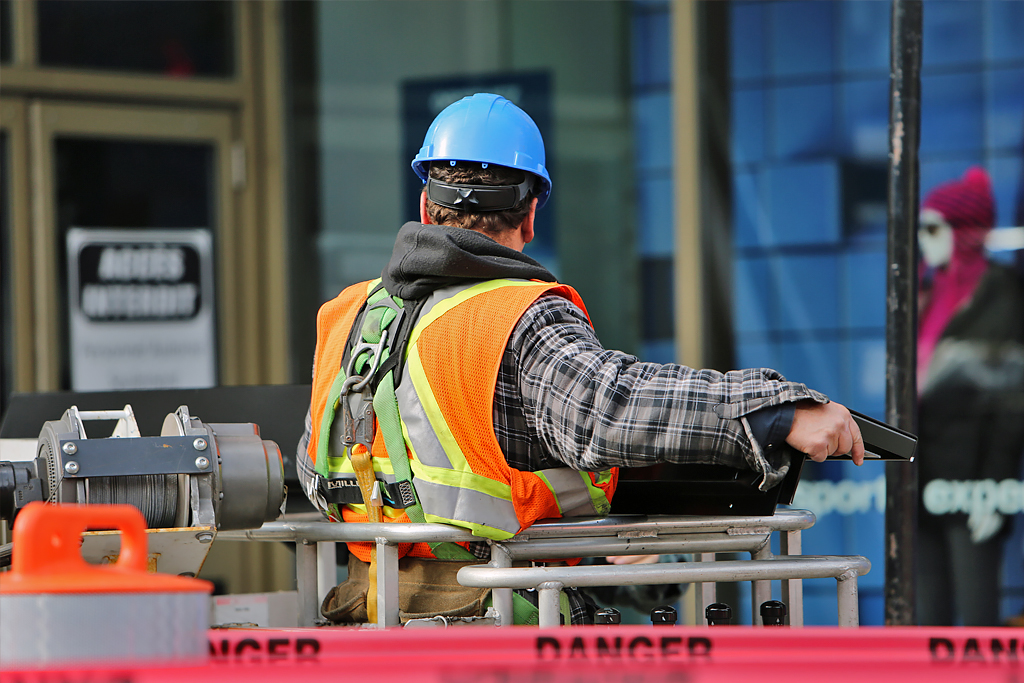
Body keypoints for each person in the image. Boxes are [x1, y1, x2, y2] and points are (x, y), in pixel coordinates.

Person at [296, 93, 864, 625]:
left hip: (368, 624)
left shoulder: (347, 317)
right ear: (531, 214)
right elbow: (608, 408)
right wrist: (778, 412)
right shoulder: (515, 317)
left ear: (424, 203)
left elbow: (314, 462)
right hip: (497, 630)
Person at [915, 167, 1024, 626]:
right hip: (921, 477)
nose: (924, 239)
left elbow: (1011, 403)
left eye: (934, 227)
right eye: (920, 228)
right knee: (926, 615)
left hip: (973, 480)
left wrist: (994, 489)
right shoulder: (924, 292)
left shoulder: (1004, 295)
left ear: (965, 231)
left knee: (978, 617)